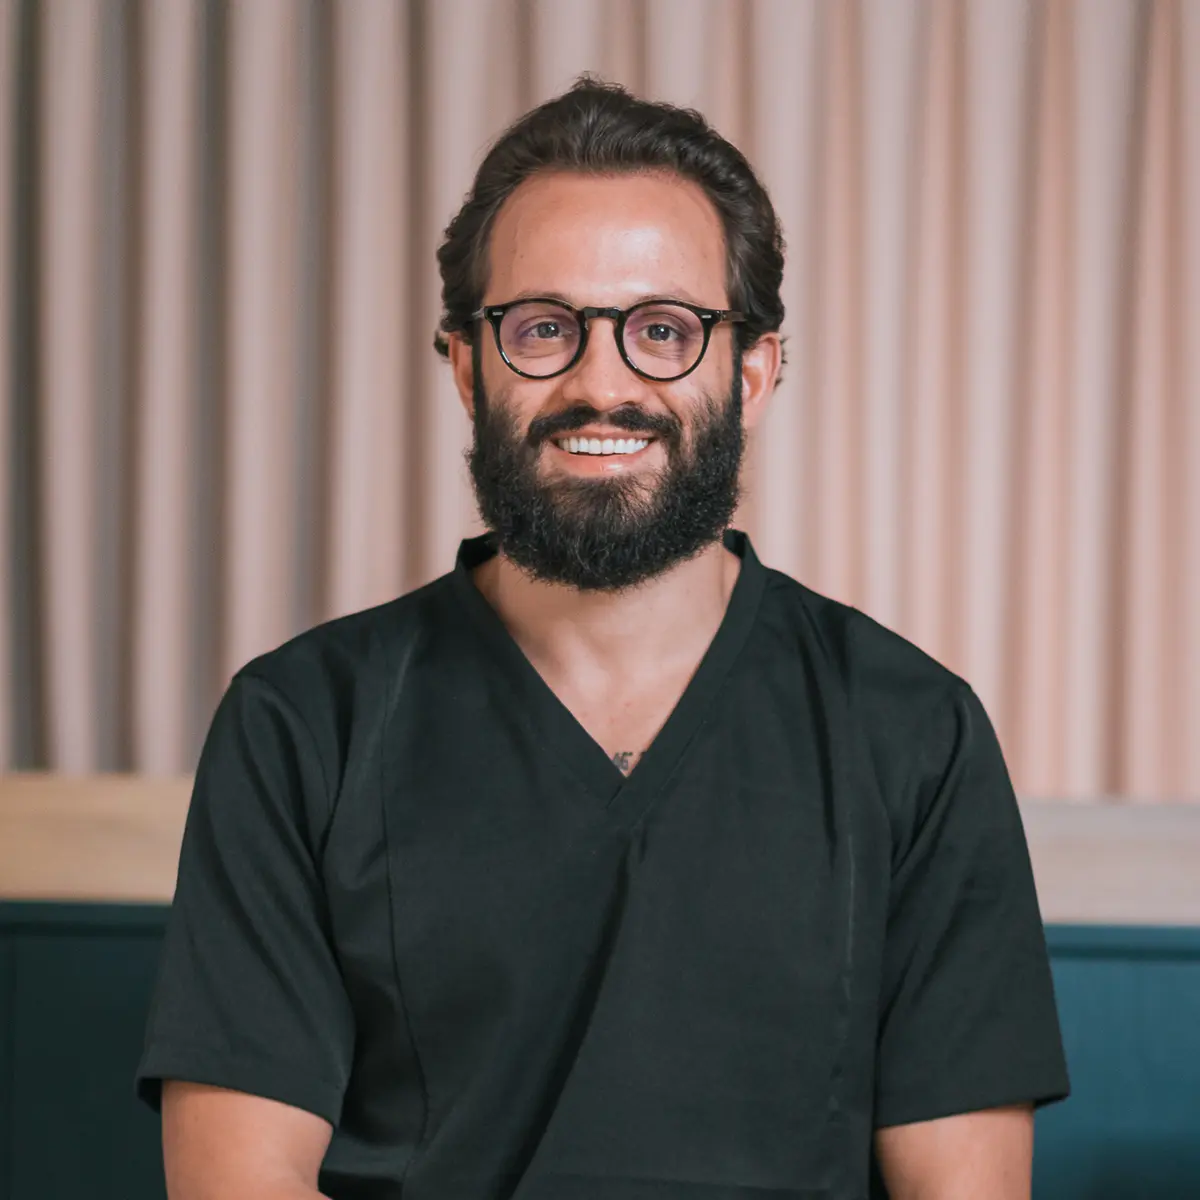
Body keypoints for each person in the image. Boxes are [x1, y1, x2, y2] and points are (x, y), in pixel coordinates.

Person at [136, 78, 1069, 1200]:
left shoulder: (914, 733)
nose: (601, 382)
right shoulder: (299, 725)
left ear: (754, 372)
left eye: (662, 331)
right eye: (543, 328)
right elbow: (237, 1182)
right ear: (467, 366)